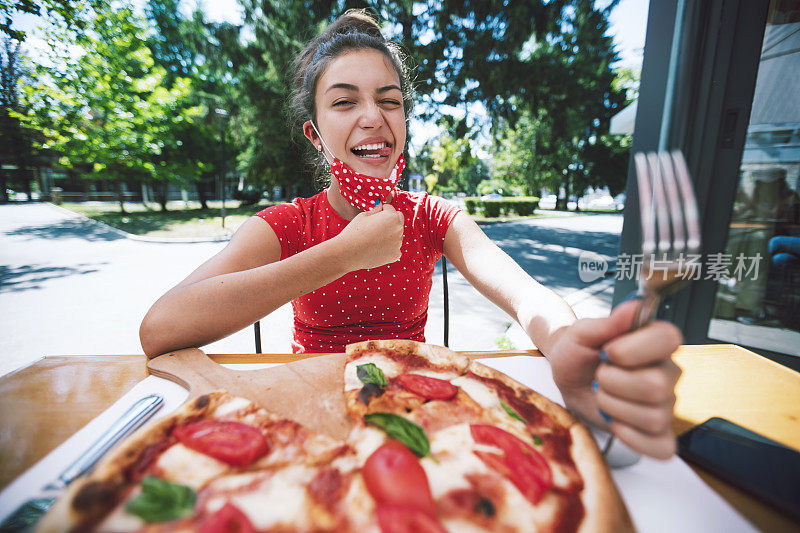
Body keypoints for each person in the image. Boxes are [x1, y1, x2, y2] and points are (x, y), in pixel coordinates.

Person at [140, 10, 682, 460]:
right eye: (345, 101)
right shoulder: (287, 224)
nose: (373, 117)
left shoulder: (433, 215)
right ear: (315, 131)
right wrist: (342, 254)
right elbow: (160, 328)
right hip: (309, 415)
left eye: (390, 99)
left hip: (416, 413)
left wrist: (563, 343)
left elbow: (526, 294)